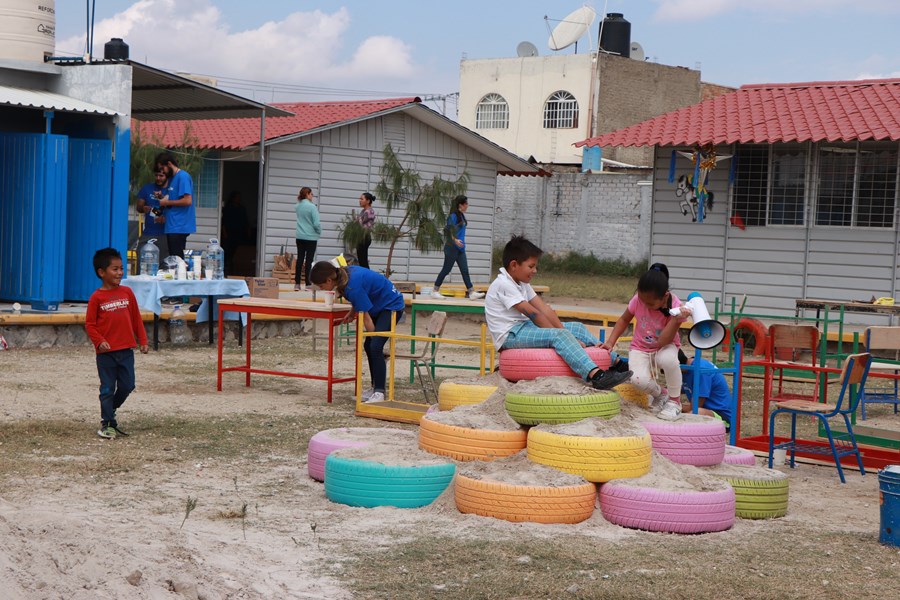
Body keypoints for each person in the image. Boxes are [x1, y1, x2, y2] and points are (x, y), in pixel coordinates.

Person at [485, 236, 632, 390]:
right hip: (510, 335)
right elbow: (534, 314)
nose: (535, 271)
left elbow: (544, 309)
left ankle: (615, 362)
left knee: (576, 328)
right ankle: (596, 375)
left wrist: (567, 332)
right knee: (559, 336)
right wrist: (564, 334)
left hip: (523, 328)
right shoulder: (503, 284)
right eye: (531, 266)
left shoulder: (521, 283)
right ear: (514, 265)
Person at [602, 263, 691, 421]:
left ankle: (674, 402)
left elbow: (663, 340)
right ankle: (661, 394)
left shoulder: (676, 307)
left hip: (665, 345)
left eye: (650, 304)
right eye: (642, 301)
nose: (645, 305)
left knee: (668, 360)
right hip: (640, 347)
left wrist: (677, 321)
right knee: (637, 380)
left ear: (664, 296)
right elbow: (624, 319)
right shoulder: (638, 300)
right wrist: (610, 342)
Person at [310, 260, 405, 404]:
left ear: (329, 280)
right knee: (369, 347)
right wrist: (352, 311)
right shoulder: (345, 274)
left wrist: (376, 340)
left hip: (391, 306)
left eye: (322, 286)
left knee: (374, 346)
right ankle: (375, 388)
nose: (322, 289)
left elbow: (365, 317)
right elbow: (361, 296)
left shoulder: (351, 286)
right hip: (377, 305)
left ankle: (379, 392)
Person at [84, 248, 149, 439]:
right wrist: (100, 341)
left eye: (121, 268)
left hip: (126, 350)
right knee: (106, 388)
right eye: (115, 269)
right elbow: (90, 324)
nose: (120, 272)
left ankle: (109, 409)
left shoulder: (127, 293)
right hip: (106, 354)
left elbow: (136, 319)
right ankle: (108, 424)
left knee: (128, 385)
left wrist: (143, 340)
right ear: (101, 272)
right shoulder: (96, 297)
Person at [430, 195, 485, 301]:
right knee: (446, 270)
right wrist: (455, 240)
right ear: (461, 205)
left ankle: (471, 292)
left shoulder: (461, 216)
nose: (467, 206)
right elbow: (447, 230)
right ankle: (435, 291)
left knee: (465, 270)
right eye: (466, 204)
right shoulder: (453, 216)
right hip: (451, 248)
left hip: (460, 249)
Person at [678, 349, 733, 430]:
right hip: (708, 410)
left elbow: (695, 408)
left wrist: (675, 406)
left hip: (722, 416)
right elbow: (677, 389)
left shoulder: (701, 371)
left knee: (693, 414)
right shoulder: (687, 369)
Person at [155, 152, 195, 259]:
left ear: (169, 164)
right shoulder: (172, 179)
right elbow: (173, 200)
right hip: (171, 225)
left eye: (162, 168)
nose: (162, 172)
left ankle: (181, 274)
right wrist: (162, 197)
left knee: (177, 259)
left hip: (179, 225)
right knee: (173, 258)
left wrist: (166, 202)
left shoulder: (183, 177)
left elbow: (187, 201)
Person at [135, 169, 170, 259]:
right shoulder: (147, 188)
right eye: (156, 175)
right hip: (148, 233)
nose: (158, 178)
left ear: (167, 176)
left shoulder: (171, 190)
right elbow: (138, 208)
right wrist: (143, 208)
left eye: (161, 176)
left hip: (165, 234)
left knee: (164, 265)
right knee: (141, 261)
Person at [295, 187, 322, 291]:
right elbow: (316, 223)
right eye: (311, 194)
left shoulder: (297, 206)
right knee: (309, 260)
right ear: (307, 194)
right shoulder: (312, 207)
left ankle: (297, 284)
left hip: (299, 236)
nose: (312, 196)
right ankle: (307, 284)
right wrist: (319, 231)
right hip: (310, 237)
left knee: (300, 259)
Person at [222, 190, 250, 274]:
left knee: (237, 252)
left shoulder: (242, 209)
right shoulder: (228, 208)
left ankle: (233, 269)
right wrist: (224, 232)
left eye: (239, 197)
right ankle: (226, 268)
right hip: (229, 233)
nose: (239, 199)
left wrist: (248, 231)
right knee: (227, 251)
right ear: (232, 198)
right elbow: (223, 221)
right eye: (237, 197)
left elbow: (246, 221)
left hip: (239, 233)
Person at [355, 192, 376, 269]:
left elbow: (361, 223)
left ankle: (367, 277)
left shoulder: (369, 211)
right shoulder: (363, 211)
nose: (359, 200)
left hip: (365, 236)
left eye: (362, 199)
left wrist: (356, 220)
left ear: (368, 201)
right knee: (361, 260)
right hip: (360, 237)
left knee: (363, 261)